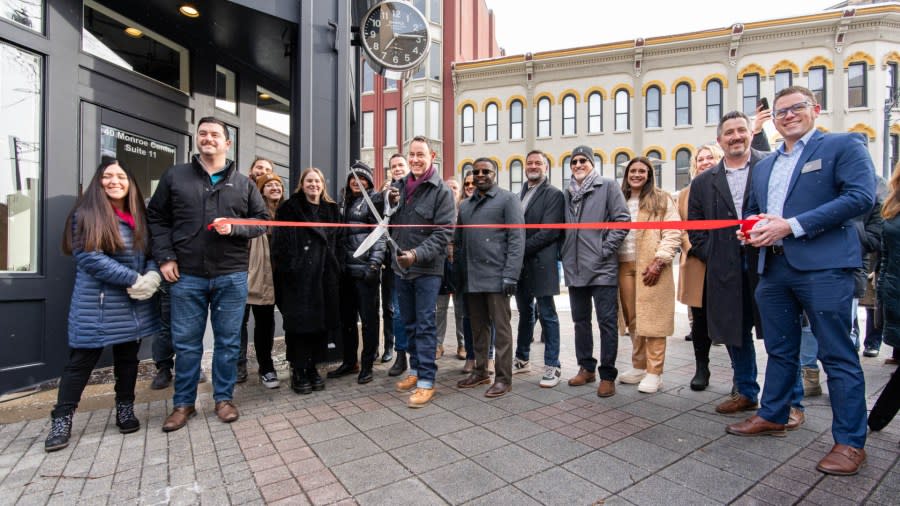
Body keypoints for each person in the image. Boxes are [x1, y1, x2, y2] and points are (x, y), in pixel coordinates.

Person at [731, 86, 875, 476]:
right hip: (772, 269)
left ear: (815, 109)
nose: (788, 116)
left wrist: (791, 226)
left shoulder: (843, 146)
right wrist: (752, 231)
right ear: (773, 121)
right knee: (779, 349)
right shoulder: (764, 165)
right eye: (780, 112)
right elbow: (756, 212)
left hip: (823, 267)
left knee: (836, 354)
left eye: (796, 108)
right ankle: (774, 413)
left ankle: (849, 441)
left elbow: (862, 197)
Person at [148, 117, 267, 432]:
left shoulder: (244, 183)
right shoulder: (175, 177)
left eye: (216, 134)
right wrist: (165, 257)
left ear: (228, 143)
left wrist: (237, 227)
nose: (208, 138)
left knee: (228, 342)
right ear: (196, 140)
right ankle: (183, 404)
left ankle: (224, 399)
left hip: (231, 275)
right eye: (203, 133)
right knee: (186, 344)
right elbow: (156, 218)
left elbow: (263, 221)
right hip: (186, 275)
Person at [45, 159, 162, 452]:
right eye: (107, 176)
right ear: (98, 183)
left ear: (130, 182)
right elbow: (90, 258)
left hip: (134, 301)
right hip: (97, 304)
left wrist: (151, 274)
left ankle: (125, 408)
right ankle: (62, 419)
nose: (114, 181)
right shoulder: (86, 214)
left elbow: (151, 251)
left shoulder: (140, 216)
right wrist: (135, 278)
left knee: (128, 360)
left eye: (120, 176)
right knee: (80, 363)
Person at [688, 111, 775, 416]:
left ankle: (789, 399)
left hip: (768, 262)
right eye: (729, 132)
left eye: (741, 130)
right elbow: (695, 227)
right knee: (734, 332)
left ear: (751, 133)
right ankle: (746, 390)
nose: (736, 136)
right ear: (719, 140)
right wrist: (712, 252)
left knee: (779, 332)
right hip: (724, 266)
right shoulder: (703, 182)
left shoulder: (771, 164)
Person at [387, 136, 455, 408]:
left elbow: (444, 234)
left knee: (426, 326)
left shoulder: (442, 191)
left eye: (420, 155)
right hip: (400, 269)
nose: (415, 159)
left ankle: (427, 381)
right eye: (411, 154)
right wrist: (388, 203)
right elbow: (388, 222)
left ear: (432, 156)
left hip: (426, 270)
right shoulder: (399, 187)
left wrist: (416, 255)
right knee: (409, 324)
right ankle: (415, 372)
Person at [561, 145, 630, 397]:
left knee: (607, 323)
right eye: (574, 161)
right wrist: (565, 252)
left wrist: (604, 249)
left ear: (592, 163)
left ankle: (607, 375)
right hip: (575, 267)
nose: (578, 165)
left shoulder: (608, 186)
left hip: (602, 268)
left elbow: (623, 220)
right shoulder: (567, 193)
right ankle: (586, 368)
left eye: (583, 161)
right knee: (580, 322)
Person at [455, 157, 525, 398]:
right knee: (478, 329)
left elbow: (517, 240)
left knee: (502, 330)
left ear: (495, 174)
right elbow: (459, 243)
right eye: (476, 171)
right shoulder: (464, 206)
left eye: (486, 171)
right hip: (472, 278)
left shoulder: (509, 200)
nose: (480, 174)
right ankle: (481, 371)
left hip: (498, 277)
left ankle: (504, 378)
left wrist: (511, 275)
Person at [271, 168, 342, 394]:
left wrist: (335, 266)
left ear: (323, 184)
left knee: (320, 325)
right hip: (298, 278)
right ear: (302, 184)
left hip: (324, 277)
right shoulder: (289, 208)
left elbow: (339, 241)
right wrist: (291, 268)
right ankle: (298, 369)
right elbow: (280, 245)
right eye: (309, 181)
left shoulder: (331, 210)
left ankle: (313, 366)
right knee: (299, 325)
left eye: (317, 181)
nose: (314, 184)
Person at [616, 157, 681, 393]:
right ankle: (639, 365)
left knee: (653, 320)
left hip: (652, 267)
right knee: (634, 319)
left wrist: (660, 260)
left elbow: (674, 231)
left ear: (649, 174)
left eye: (642, 171)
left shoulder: (661, 198)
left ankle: (655, 372)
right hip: (624, 266)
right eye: (632, 171)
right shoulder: (619, 199)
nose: (636, 174)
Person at [329, 161, 385, 384]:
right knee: (347, 321)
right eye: (354, 177)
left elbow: (380, 235)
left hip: (365, 272)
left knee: (369, 321)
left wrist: (374, 264)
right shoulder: (343, 202)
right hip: (344, 273)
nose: (357, 182)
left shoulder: (374, 201)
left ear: (369, 182)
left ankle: (368, 364)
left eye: (362, 178)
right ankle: (350, 361)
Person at [513, 150, 565, 388]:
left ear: (546, 167)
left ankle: (553, 366)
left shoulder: (553, 194)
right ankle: (522, 358)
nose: (533, 166)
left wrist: (518, 249)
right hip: (522, 265)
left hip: (542, 262)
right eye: (529, 162)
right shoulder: (520, 193)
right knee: (525, 312)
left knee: (547, 314)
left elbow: (549, 231)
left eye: (538, 163)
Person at [677, 143, 723, 390]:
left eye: (710, 158)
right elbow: (679, 226)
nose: (705, 162)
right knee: (700, 319)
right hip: (697, 261)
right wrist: (693, 247)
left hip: (727, 263)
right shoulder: (685, 194)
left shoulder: (727, 186)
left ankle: (740, 376)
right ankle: (701, 368)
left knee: (731, 318)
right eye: (700, 159)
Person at [239, 172, 284, 389]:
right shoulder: (255, 213)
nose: (275, 188)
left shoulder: (286, 212)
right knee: (263, 323)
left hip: (283, 277)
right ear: (261, 190)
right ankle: (266, 367)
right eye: (269, 185)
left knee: (277, 322)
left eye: (278, 184)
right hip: (260, 276)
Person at [871, 163, 900, 432]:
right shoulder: (892, 202)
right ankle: (879, 416)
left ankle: (879, 416)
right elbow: (886, 253)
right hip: (895, 289)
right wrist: (882, 289)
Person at [385, 154, 410, 375]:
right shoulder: (387, 193)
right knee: (398, 313)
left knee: (421, 313)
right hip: (395, 263)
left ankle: (421, 357)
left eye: (400, 165)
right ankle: (401, 356)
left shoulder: (416, 189)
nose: (397, 169)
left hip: (418, 259)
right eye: (393, 167)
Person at [435, 177, 465, 361]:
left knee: (461, 308)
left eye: (455, 187)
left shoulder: (465, 210)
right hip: (441, 264)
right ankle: (438, 344)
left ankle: (462, 344)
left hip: (459, 264)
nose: (451, 190)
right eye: (448, 187)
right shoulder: (439, 210)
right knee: (440, 309)